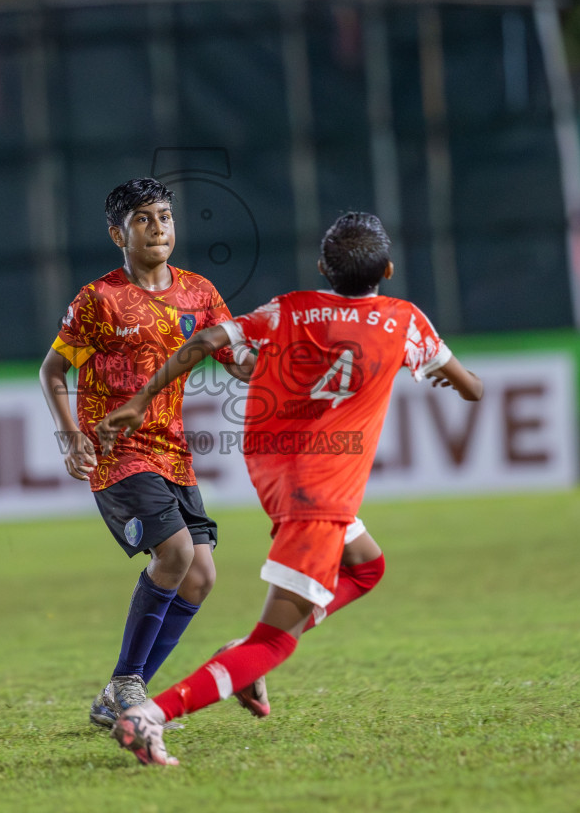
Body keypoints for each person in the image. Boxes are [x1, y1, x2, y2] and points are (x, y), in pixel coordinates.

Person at [97, 212, 484, 765]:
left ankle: (241, 655)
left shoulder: (291, 308)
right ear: (390, 270)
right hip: (321, 493)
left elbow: (208, 339)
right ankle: (149, 715)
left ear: (323, 266)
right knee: (276, 641)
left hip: (275, 471)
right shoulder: (405, 321)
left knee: (366, 568)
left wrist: (137, 401)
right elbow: (470, 388)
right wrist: (456, 377)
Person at [40, 177, 254, 729]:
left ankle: (120, 694)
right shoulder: (100, 299)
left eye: (164, 216)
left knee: (201, 576)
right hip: (116, 449)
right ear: (118, 233)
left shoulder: (199, 293)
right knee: (177, 554)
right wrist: (71, 436)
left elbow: (238, 361)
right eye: (142, 219)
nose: (157, 227)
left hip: (171, 451)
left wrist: (274, 358)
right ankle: (130, 687)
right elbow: (54, 369)